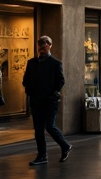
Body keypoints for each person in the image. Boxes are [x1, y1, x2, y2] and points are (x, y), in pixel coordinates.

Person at [23, 35, 72, 166]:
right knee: (38, 129)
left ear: (49, 45)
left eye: (44, 45)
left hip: (50, 101)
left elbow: (61, 81)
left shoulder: (56, 63)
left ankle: (65, 145)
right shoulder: (32, 63)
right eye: (39, 45)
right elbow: (26, 80)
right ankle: (42, 155)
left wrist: (54, 93)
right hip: (36, 100)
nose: (41, 48)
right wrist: (30, 92)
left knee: (49, 125)